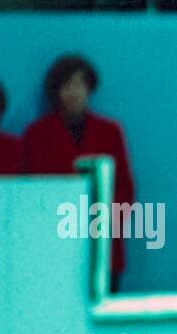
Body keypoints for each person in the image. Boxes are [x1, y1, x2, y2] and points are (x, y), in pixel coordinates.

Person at [23, 55, 136, 292]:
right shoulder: (36, 134)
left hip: (103, 245)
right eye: (67, 85)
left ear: (90, 89)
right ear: (56, 92)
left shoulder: (110, 131)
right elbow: (31, 192)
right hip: (54, 245)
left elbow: (124, 188)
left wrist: (105, 228)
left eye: (80, 84)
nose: (74, 92)